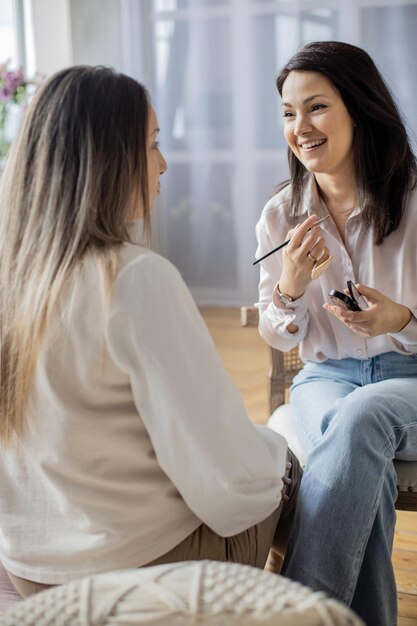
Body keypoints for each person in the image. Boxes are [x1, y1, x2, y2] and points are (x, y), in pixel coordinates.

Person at [0, 65, 301, 601]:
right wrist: (277, 447)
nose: (164, 163)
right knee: (288, 462)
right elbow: (231, 482)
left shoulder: (14, 281)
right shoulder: (134, 278)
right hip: (138, 572)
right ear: (105, 159)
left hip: (29, 571)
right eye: (153, 143)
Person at [255, 40, 417, 626]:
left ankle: (292, 612)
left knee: (363, 418)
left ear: (359, 107)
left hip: (410, 382)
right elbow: (276, 337)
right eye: (288, 113)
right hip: (325, 377)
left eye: (316, 107)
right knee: (358, 465)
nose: (301, 127)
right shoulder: (281, 215)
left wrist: (401, 320)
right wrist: (292, 286)